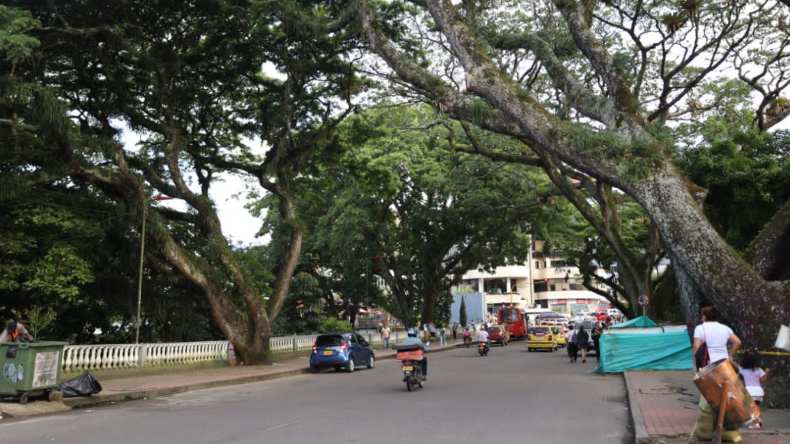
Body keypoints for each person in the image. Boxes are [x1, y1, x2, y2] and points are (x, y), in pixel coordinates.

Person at [732, 351, 769, 429]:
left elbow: (735, 365)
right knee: (757, 407)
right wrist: (766, 372)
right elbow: (763, 380)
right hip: (758, 391)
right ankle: (758, 422)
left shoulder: (743, 369)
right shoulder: (759, 370)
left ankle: (756, 421)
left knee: (750, 408)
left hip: (749, 391)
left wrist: (730, 359)